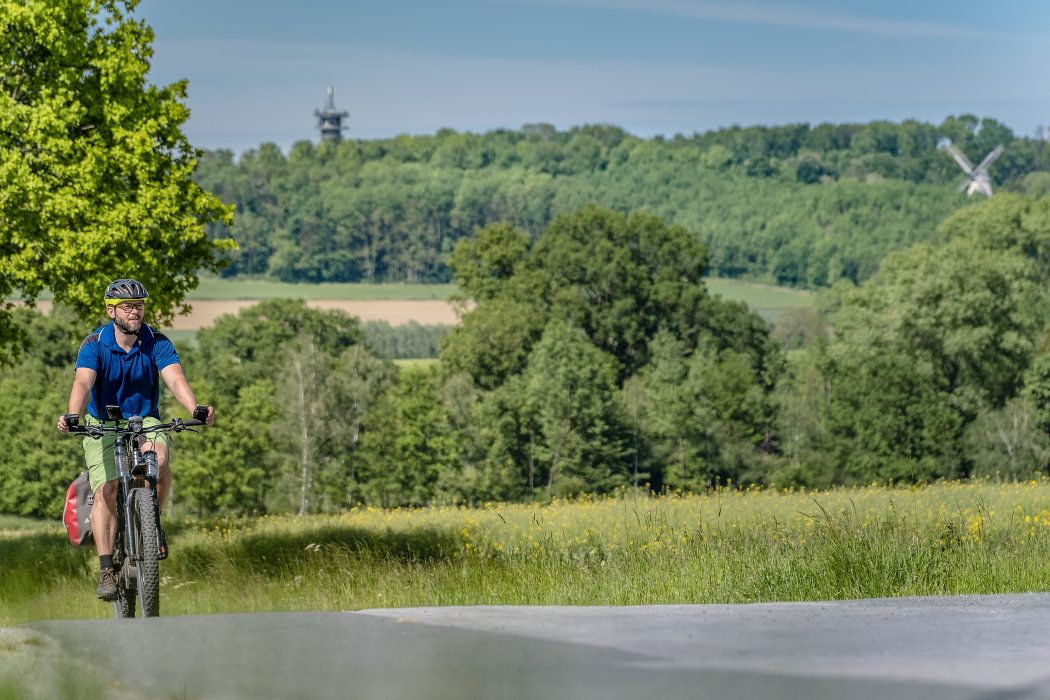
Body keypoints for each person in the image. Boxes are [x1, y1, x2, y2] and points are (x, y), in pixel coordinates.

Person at [56, 278, 215, 602]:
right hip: (102, 423)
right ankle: (106, 569)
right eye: (129, 306)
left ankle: (150, 523)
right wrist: (73, 416)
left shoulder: (156, 341)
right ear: (111, 310)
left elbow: (174, 376)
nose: (136, 311)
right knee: (108, 488)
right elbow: (83, 382)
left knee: (158, 460)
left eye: (140, 305)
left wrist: (195, 407)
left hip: (145, 419)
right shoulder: (95, 344)